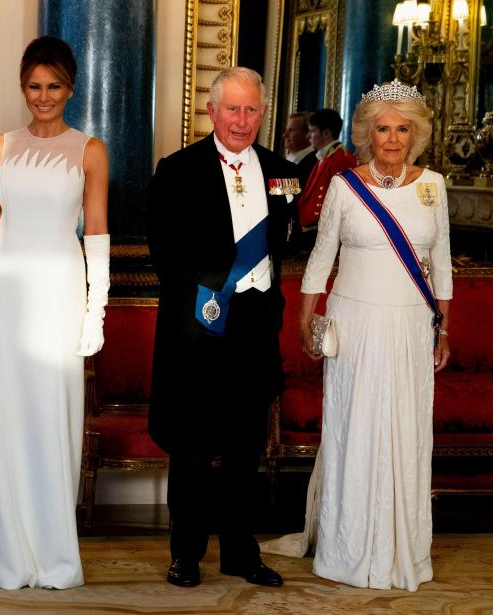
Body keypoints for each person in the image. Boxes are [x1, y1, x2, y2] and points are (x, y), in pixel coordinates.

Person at [264, 80, 452, 592]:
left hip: (411, 324)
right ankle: (348, 548)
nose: (392, 139)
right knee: (356, 427)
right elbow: (321, 258)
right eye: (383, 129)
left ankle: (400, 547)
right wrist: (305, 318)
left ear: (417, 134)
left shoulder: (433, 185)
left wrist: (444, 327)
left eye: (403, 129)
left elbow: (441, 265)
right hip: (356, 322)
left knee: (404, 429)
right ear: (367, 134)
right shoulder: (346, 185)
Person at [0, 35, 109, 590]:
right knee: (6, 421)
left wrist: (96, 314)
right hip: (7, 296)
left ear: (71, 88)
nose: (43, 97)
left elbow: (97, 237)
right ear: (23, 87)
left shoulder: (90, 149)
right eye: (34, 87)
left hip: (61, 295)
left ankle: (53, 554)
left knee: (53, 421)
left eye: (54, 87)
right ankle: (13, 551)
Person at [147, 66, 297, 589]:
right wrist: (212, 295)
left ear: (262, 112)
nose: (241, 119)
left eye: (251, 109)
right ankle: (186, 555)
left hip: (256, 331)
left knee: (244, 448)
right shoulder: (178, 169)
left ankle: (240, 551)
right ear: (210, 111)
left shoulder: (282, 173)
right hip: (200, 326)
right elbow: (164, 253)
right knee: (191, 449)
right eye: (231, 108)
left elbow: (286, 246)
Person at [296, 108, 357, 249]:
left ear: (326, 133)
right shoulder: (324, 157)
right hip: (311, 231)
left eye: (312, 131)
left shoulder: (341, 159)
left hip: (322, 233)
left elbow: (344, 202)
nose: (308, 137)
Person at [283, 111, 316, 186]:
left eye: (291, 130)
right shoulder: (290, 157)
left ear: (308, 133)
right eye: (286, 130)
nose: (285, 135)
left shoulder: (313, 162)